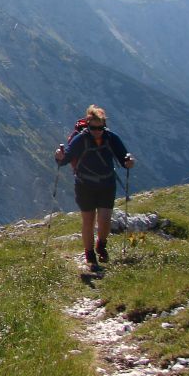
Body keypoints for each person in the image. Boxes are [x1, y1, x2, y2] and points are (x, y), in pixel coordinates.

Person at [55, 105, 135, 272]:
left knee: (105, 221)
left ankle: (101, 245)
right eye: (93, 128)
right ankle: (90, 255)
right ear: (88, 125)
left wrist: (129, 162)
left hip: (107, 184)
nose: (97, 131)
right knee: (88, 220)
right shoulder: (80, 139)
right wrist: (59, 157)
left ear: (104, 126)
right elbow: (64, 160)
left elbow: (124, 159)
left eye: (100, 128)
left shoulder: (111, 138)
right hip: (85, 185)